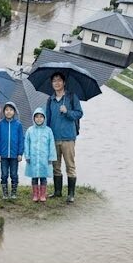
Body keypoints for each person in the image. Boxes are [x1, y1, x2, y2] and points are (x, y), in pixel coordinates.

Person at [45, 72, 83, 203]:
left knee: (70, 166)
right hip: (54, 138)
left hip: (68, 138)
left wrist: (67, 112)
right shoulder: (50, 100)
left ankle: (71, 194)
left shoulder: (72, 97)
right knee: (56, 166)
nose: (56, 83)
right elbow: (47, 120)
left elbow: (79, 113)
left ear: (64, 82)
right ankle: (57, 192)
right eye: (54, 81)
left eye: (59, 80)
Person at [24, 107, 56, 202]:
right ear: (33, 118)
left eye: (41, 117)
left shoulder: (48, 130)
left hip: (44, 158)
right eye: (36, 117)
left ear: (44, 118)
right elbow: (26, 143)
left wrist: (51, 157)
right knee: (34, 177)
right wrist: (27, 155)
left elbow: (51, 144)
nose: (39, 119)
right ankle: (35, 194)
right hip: (33, 158)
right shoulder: (30, 130)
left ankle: (42, 194)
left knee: (43, 177)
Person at [0, 101, 24, 200]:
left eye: (11, 110)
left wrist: (20, 153)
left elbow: (21, 140)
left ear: (14, 112)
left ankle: (14, 192)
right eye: (6, 110)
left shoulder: (18, 125)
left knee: (14, 174)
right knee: (4, 174)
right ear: (3, 112)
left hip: (15, 155)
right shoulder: (0, 124)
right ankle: (5, 193)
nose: (8, 112)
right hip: (3, 155)